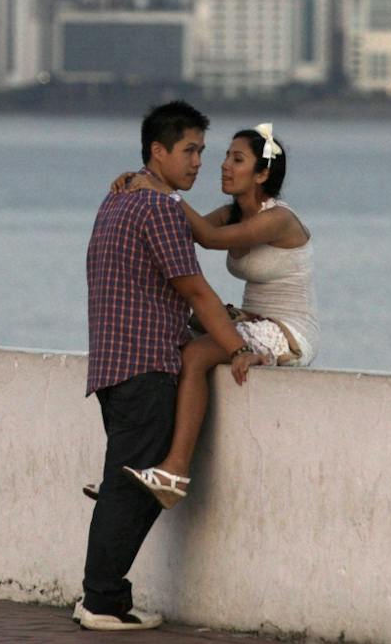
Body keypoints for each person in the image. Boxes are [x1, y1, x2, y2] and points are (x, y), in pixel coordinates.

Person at [74, 100, 253, 633]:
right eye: (189, 150)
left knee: (122, 487)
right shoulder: (158, 209)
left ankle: (104, 596)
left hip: (112, 365)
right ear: (158, 151)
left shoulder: (118, 200)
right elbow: (195, 289)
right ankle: (102, 603)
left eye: (202, 150)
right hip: (146, 366)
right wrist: (239, 347)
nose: (199, 161)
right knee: (134, 490)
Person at [108, 123, 315, 509]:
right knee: (168, 329)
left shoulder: (279, 219)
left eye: (237, 159)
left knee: (197, 354)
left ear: (262, 174)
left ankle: (174, 472)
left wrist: (164, 190)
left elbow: (208, 236)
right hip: (250, 319)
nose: (222, 165)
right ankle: (135, 464)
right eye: (225, 156)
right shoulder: (232, 211)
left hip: (288, 333)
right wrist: (137, 188)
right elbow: (181, 230)